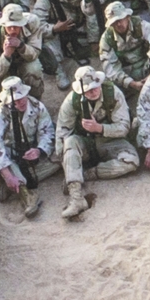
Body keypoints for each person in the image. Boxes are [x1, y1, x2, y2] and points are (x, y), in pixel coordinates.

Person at [55, 65, 139, 219]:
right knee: (70, 141)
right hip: (85, 144)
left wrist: (99, 128)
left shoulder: (113, 93)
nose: (92, 92)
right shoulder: (72, 101)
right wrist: (66, 163)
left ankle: (87, 174)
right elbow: (62, 132)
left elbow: (124, 127)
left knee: (132, 161)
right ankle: (76, 198)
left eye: (95, 87)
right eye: (87, 90)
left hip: (110, 141)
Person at [0, 76, 59, 218]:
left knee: (59, 154)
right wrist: (7, 175)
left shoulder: (37, 107)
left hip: (31, 152)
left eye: (22, 97)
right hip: (11, 155)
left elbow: (48, 132)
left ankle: (15, 184)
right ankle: (26, 195)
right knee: (2, 161)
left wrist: (39, 151)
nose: (21, 101)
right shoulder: (0, 115)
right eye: (16, 100)